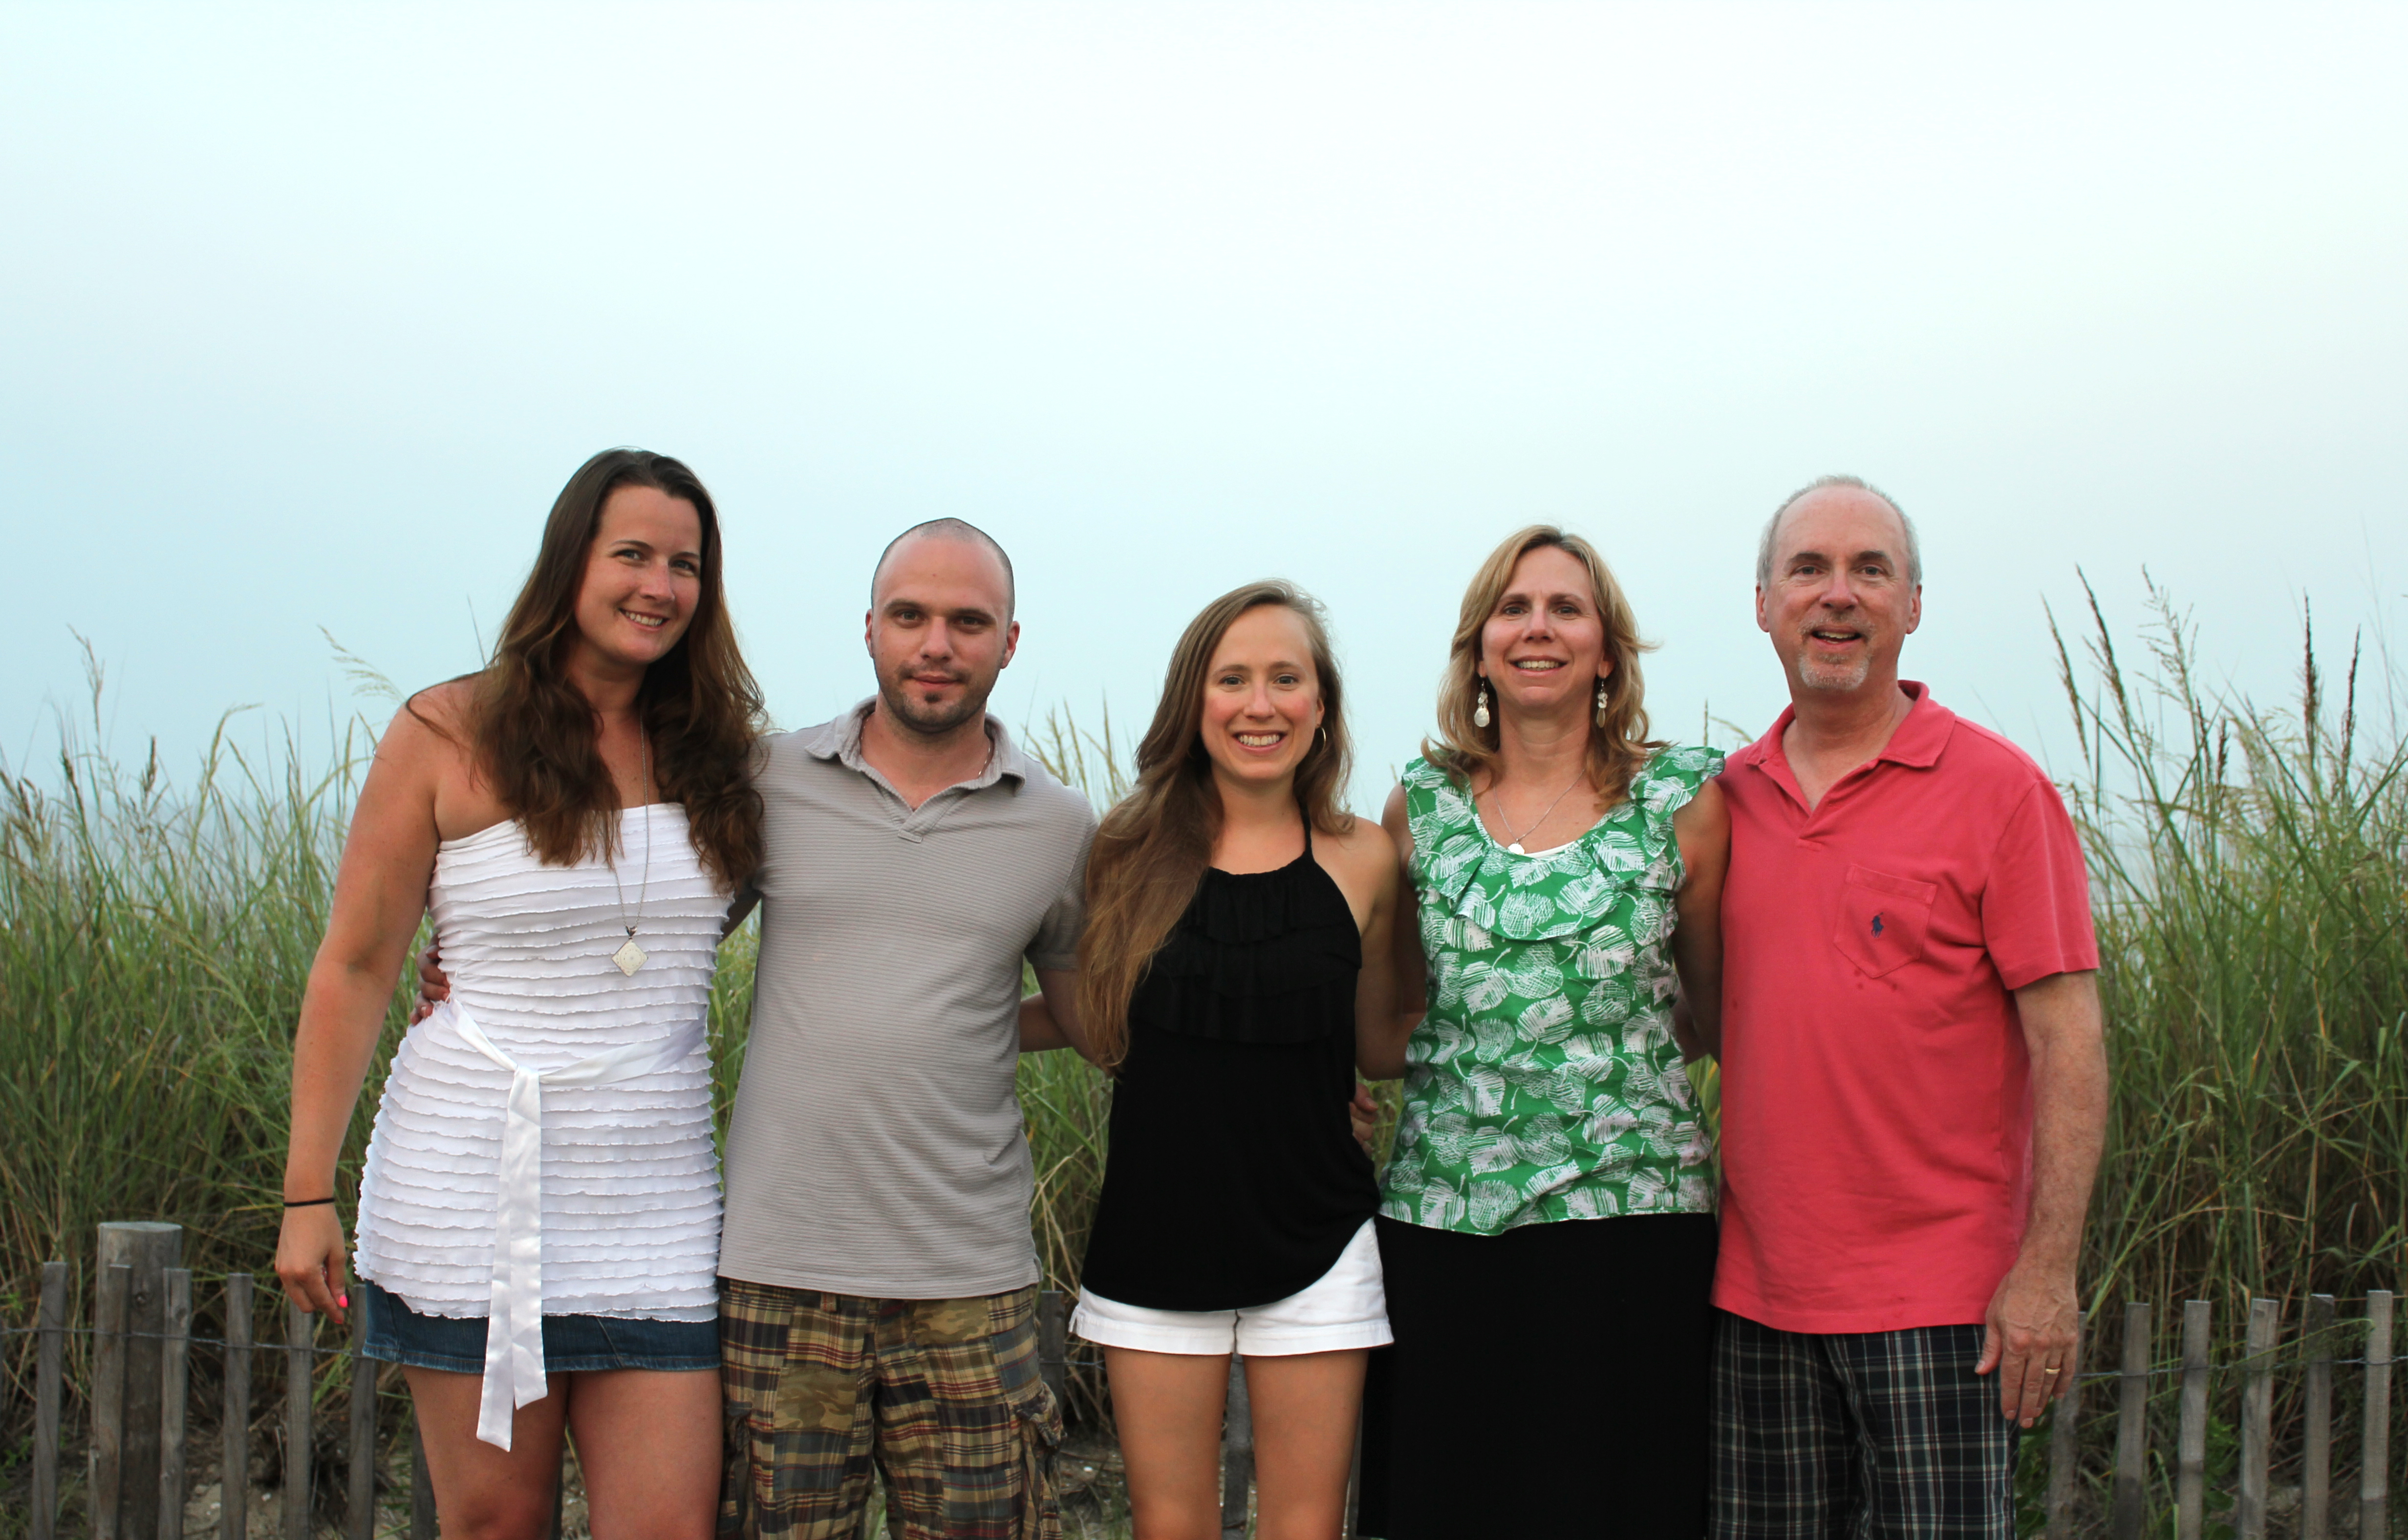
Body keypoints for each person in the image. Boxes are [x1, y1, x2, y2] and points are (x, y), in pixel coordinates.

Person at [276, 449, 764, 1540]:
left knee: (668, 1526)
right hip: (470, 1187)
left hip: (653, 1200)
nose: (658, 585)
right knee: (495, 1522)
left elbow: (703, 925)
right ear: (570, 562)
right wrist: (308, 1189)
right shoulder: (448, 730)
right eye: (631, 553)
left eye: (685, 564)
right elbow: (356, 964)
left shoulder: (724, 754)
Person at [1709, 475, 2108, 1539]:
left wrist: (2047, 1273)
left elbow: (2069, 1040)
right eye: (1807, 569)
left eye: (1868, 570)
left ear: (1913, 606)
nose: (1836, 596)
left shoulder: (1999, 791)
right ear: (1762, 604)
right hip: (1754, 1297)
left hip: (1945, 1303)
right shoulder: (1721, 802)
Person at [1357, 525, 1730, 1538]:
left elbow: (1714, 1015)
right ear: (1478, 646)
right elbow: (1395, 1027)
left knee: (1614, 1500)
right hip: (1443, 1222)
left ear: (1607, 650)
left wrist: (1589, 1067)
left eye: (1567, 609)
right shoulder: (1418, 807)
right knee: (1450, 1501)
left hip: (1630, 1225)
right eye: (1513, 609)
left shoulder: (1684, 801)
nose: (1538, 628)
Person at [1033, 581, 1400, 1540]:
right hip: (1154, 1240)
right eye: (1231, 679)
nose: (1259, 703)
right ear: (1193, 702)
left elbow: (1376, 1039)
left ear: (1321, 707)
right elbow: (1091, 1016)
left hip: (1319, 1240)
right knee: (1169, 1524)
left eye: (1287, 678)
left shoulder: (1366, 859)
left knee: (1306, 1525)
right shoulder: (1121, 850)